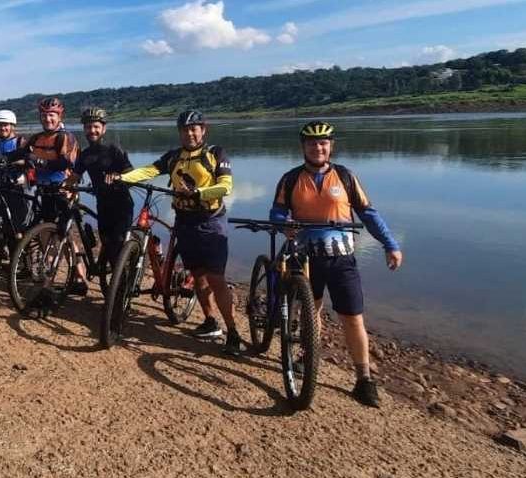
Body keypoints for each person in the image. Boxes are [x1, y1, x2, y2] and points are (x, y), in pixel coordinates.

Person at [269, 120, 403, 408]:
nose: (317, 147)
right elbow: (277, 212)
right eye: (311, 143)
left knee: (352, 317)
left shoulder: (345, 176)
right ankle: (307, 356)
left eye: (323, 143)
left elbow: (368, 213)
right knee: (311, 311)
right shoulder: (290, 179)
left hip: (341, 258)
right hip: (305, 257)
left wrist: (390, 244)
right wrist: (284, 224)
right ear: (303, 147)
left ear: (331, 146)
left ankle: (364, 378)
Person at [109, 110, 241, 355]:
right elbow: (150, 170)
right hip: (184, 221)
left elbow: (226, 186)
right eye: (184, 130)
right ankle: (210, 321)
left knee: (216, 278)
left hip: (210, 222)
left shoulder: (215, 154)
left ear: (203, 130)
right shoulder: (174, 157)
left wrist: (199, 193)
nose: (189, 134)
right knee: (198, 275)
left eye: (194, 129)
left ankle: (233, 332)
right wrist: (123, 177)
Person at [21, 97, 85, 295]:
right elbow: (21, 154)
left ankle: (79, 277)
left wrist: (39, 162)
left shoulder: (65, 137)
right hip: (44, 191)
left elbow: (66, 163)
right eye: (44, 115)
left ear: (59, 116)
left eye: (52, 115)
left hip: (63, 191)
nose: (48, 119)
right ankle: (49, 278)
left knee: (66, 235)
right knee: (46, 234)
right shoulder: (36, 138)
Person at [64, 107, 134, 270]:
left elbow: (131, 174)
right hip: (102, 204)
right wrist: (61, 185)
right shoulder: (85, 154)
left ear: (104, 128)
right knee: (106, 242)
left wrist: (118, 176)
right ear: (84, 129)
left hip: (121, 204)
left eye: (96, 126)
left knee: (117, 245)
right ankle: (108, 275)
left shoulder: (114, 149)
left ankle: (122, 280)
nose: (92, 130)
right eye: (88, 127)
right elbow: (75, 176)